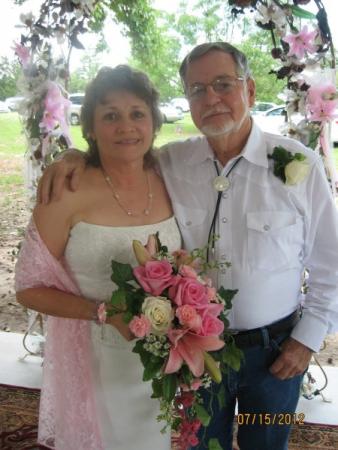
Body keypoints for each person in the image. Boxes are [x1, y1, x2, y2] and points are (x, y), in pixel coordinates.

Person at [37, 42, 338, 450]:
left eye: (222, 85)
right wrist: (71, 157)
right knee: (199, 445)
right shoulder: (168, 163)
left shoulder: (298, 164)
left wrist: (305, 341)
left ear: (249, 90)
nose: (211, 99)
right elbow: (117, 155)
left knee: (267, 444)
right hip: (193, 352)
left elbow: (330, 264)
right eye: (197, 90)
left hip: (275, 356)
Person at [15, 65, 182, 450]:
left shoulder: (169, 175)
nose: (126, 126)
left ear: (154, 123)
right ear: (90, 127)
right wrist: (105, 313)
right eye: (110, 116)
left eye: (137, 114)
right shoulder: (65, 190)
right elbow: (27, 289)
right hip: (96, 359)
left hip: (160, 355)